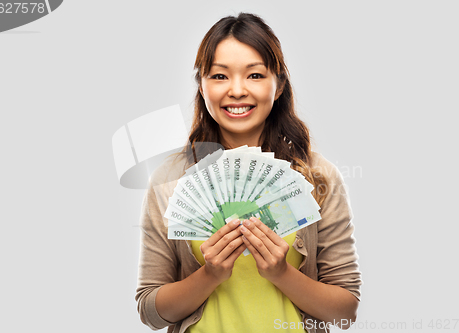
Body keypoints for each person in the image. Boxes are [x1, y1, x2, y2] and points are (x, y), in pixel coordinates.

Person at [135, 12, 362, 333]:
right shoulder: (169, 179)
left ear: (279, 85)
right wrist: (210, 274)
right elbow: (151, 311)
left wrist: (281, 272)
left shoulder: (318, 176)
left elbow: (346, 312)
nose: (237, 90)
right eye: (219, 76)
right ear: (201, 85)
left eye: (255, 75)